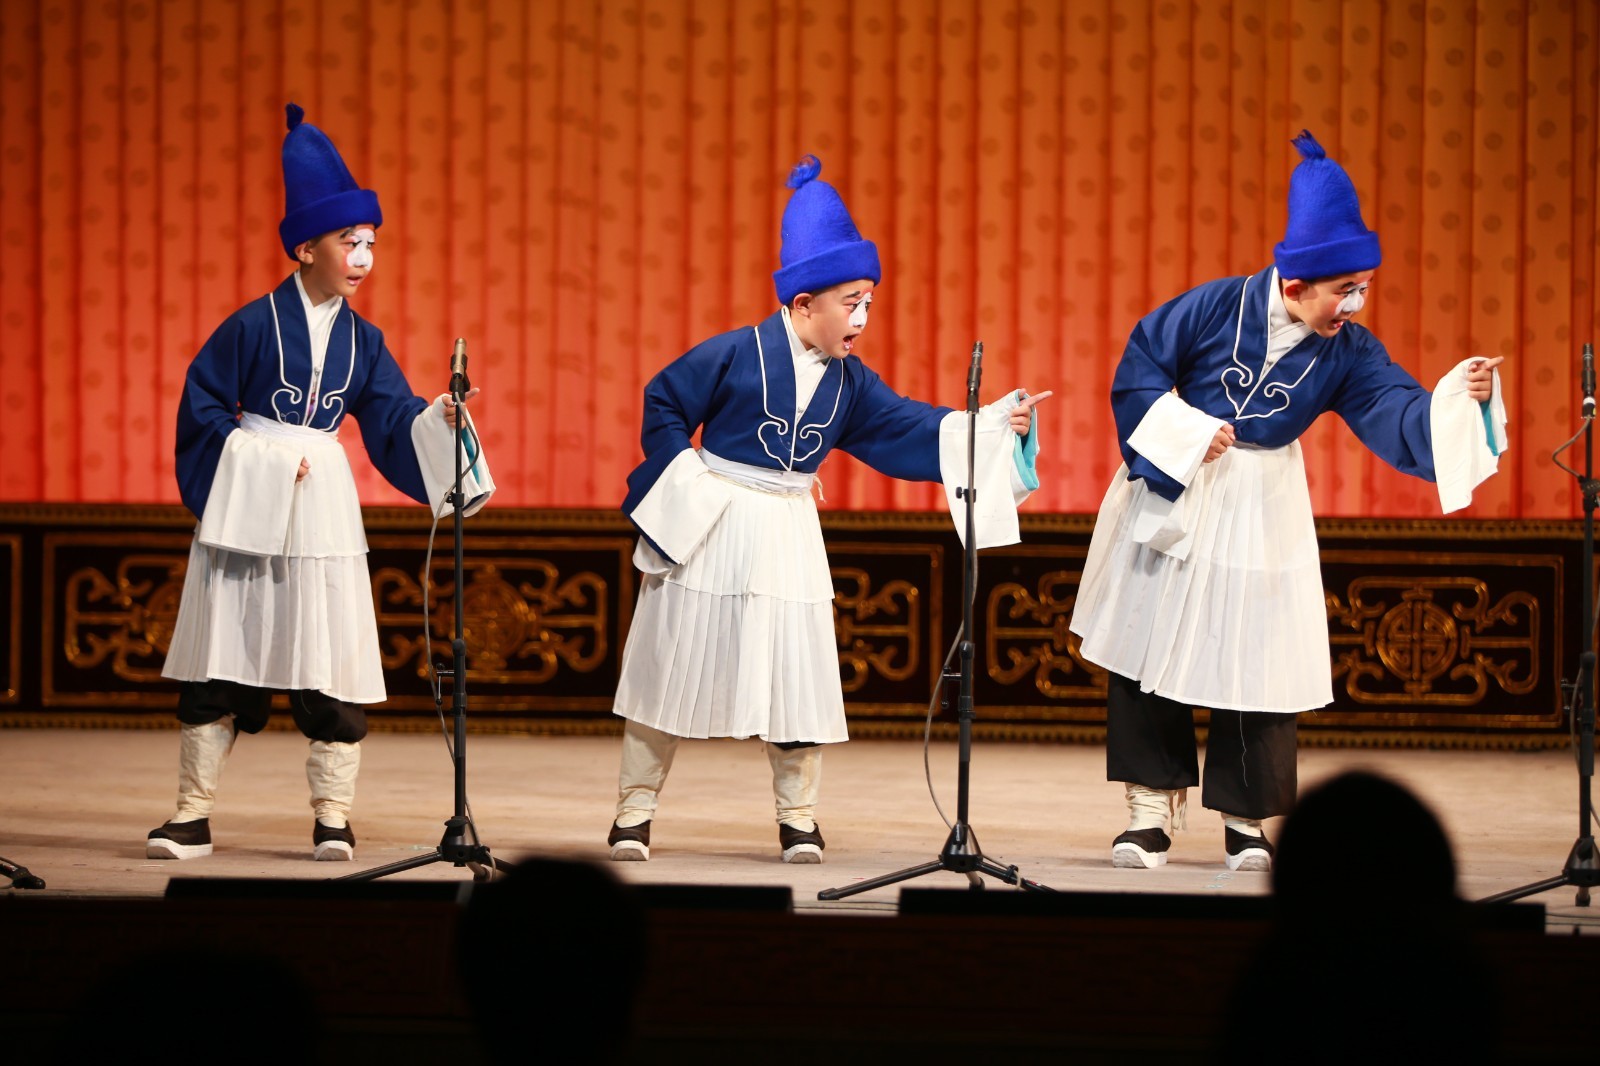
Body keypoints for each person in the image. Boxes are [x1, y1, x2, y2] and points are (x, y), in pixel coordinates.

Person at [1069, 131, 1507, 872]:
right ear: (1297, 282)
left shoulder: (1348, 350)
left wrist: (1459, 401)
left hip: (1262, 502)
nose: (1355, 304)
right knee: (1148, 645)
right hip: (1180, 483)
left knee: (1255, 652)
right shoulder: (1215, 307)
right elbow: (1141, 364)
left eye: (1364, 287)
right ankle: (1149, 812)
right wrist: (1184, 433)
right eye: (1345, 290)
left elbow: (1398, 411)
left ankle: (1247, 820)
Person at [607, 156, 1049, 863]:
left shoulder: (851, 383)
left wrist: (990, 424)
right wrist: (684, 485)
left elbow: (909, 428)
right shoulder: (735, 353)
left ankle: (799, 817)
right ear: (804, 303)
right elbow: (664, 403)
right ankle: (634, 811)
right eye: (852, 303)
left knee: (795, 673)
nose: (863, 319)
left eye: (869, 301)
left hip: (787, 528)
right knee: (671, 661)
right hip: (712, 521)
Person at [147, 104, 494, 862]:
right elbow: (203, 409)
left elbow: (391, 417)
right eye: (349, 242)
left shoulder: (363, 340)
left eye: (371, 243)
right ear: (307, 248)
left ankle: (333, 816)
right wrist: (262, 459)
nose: (363, 258)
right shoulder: (250, 326)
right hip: (249, 501)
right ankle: (190, 815)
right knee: (221, 658)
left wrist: (439, 419)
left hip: (322, 509)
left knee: (327, 657)